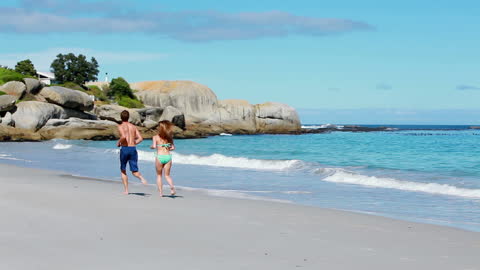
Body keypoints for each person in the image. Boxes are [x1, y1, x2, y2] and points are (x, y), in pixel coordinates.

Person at [117, 110, 148, 194]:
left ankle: (126, 190)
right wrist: (134, 143)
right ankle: (141, 178)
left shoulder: (120, 126)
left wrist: (118, 142)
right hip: (133, 149)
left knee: (123, 170)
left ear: (121, 117)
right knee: (134, 171)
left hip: (125, 149)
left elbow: (123, 136)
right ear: (128, 117)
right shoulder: (133, 127)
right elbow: (140, 138)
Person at [150, 120, 176, 197]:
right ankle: (172, 187)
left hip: (159, 157)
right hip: (168, 157)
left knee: (159, 175)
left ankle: (161, 193)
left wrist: (151, 147)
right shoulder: (170, 138)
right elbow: (173, 148)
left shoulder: (155, 137)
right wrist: (167, 147)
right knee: (167, 175)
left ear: (160, 128)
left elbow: (154, 146)